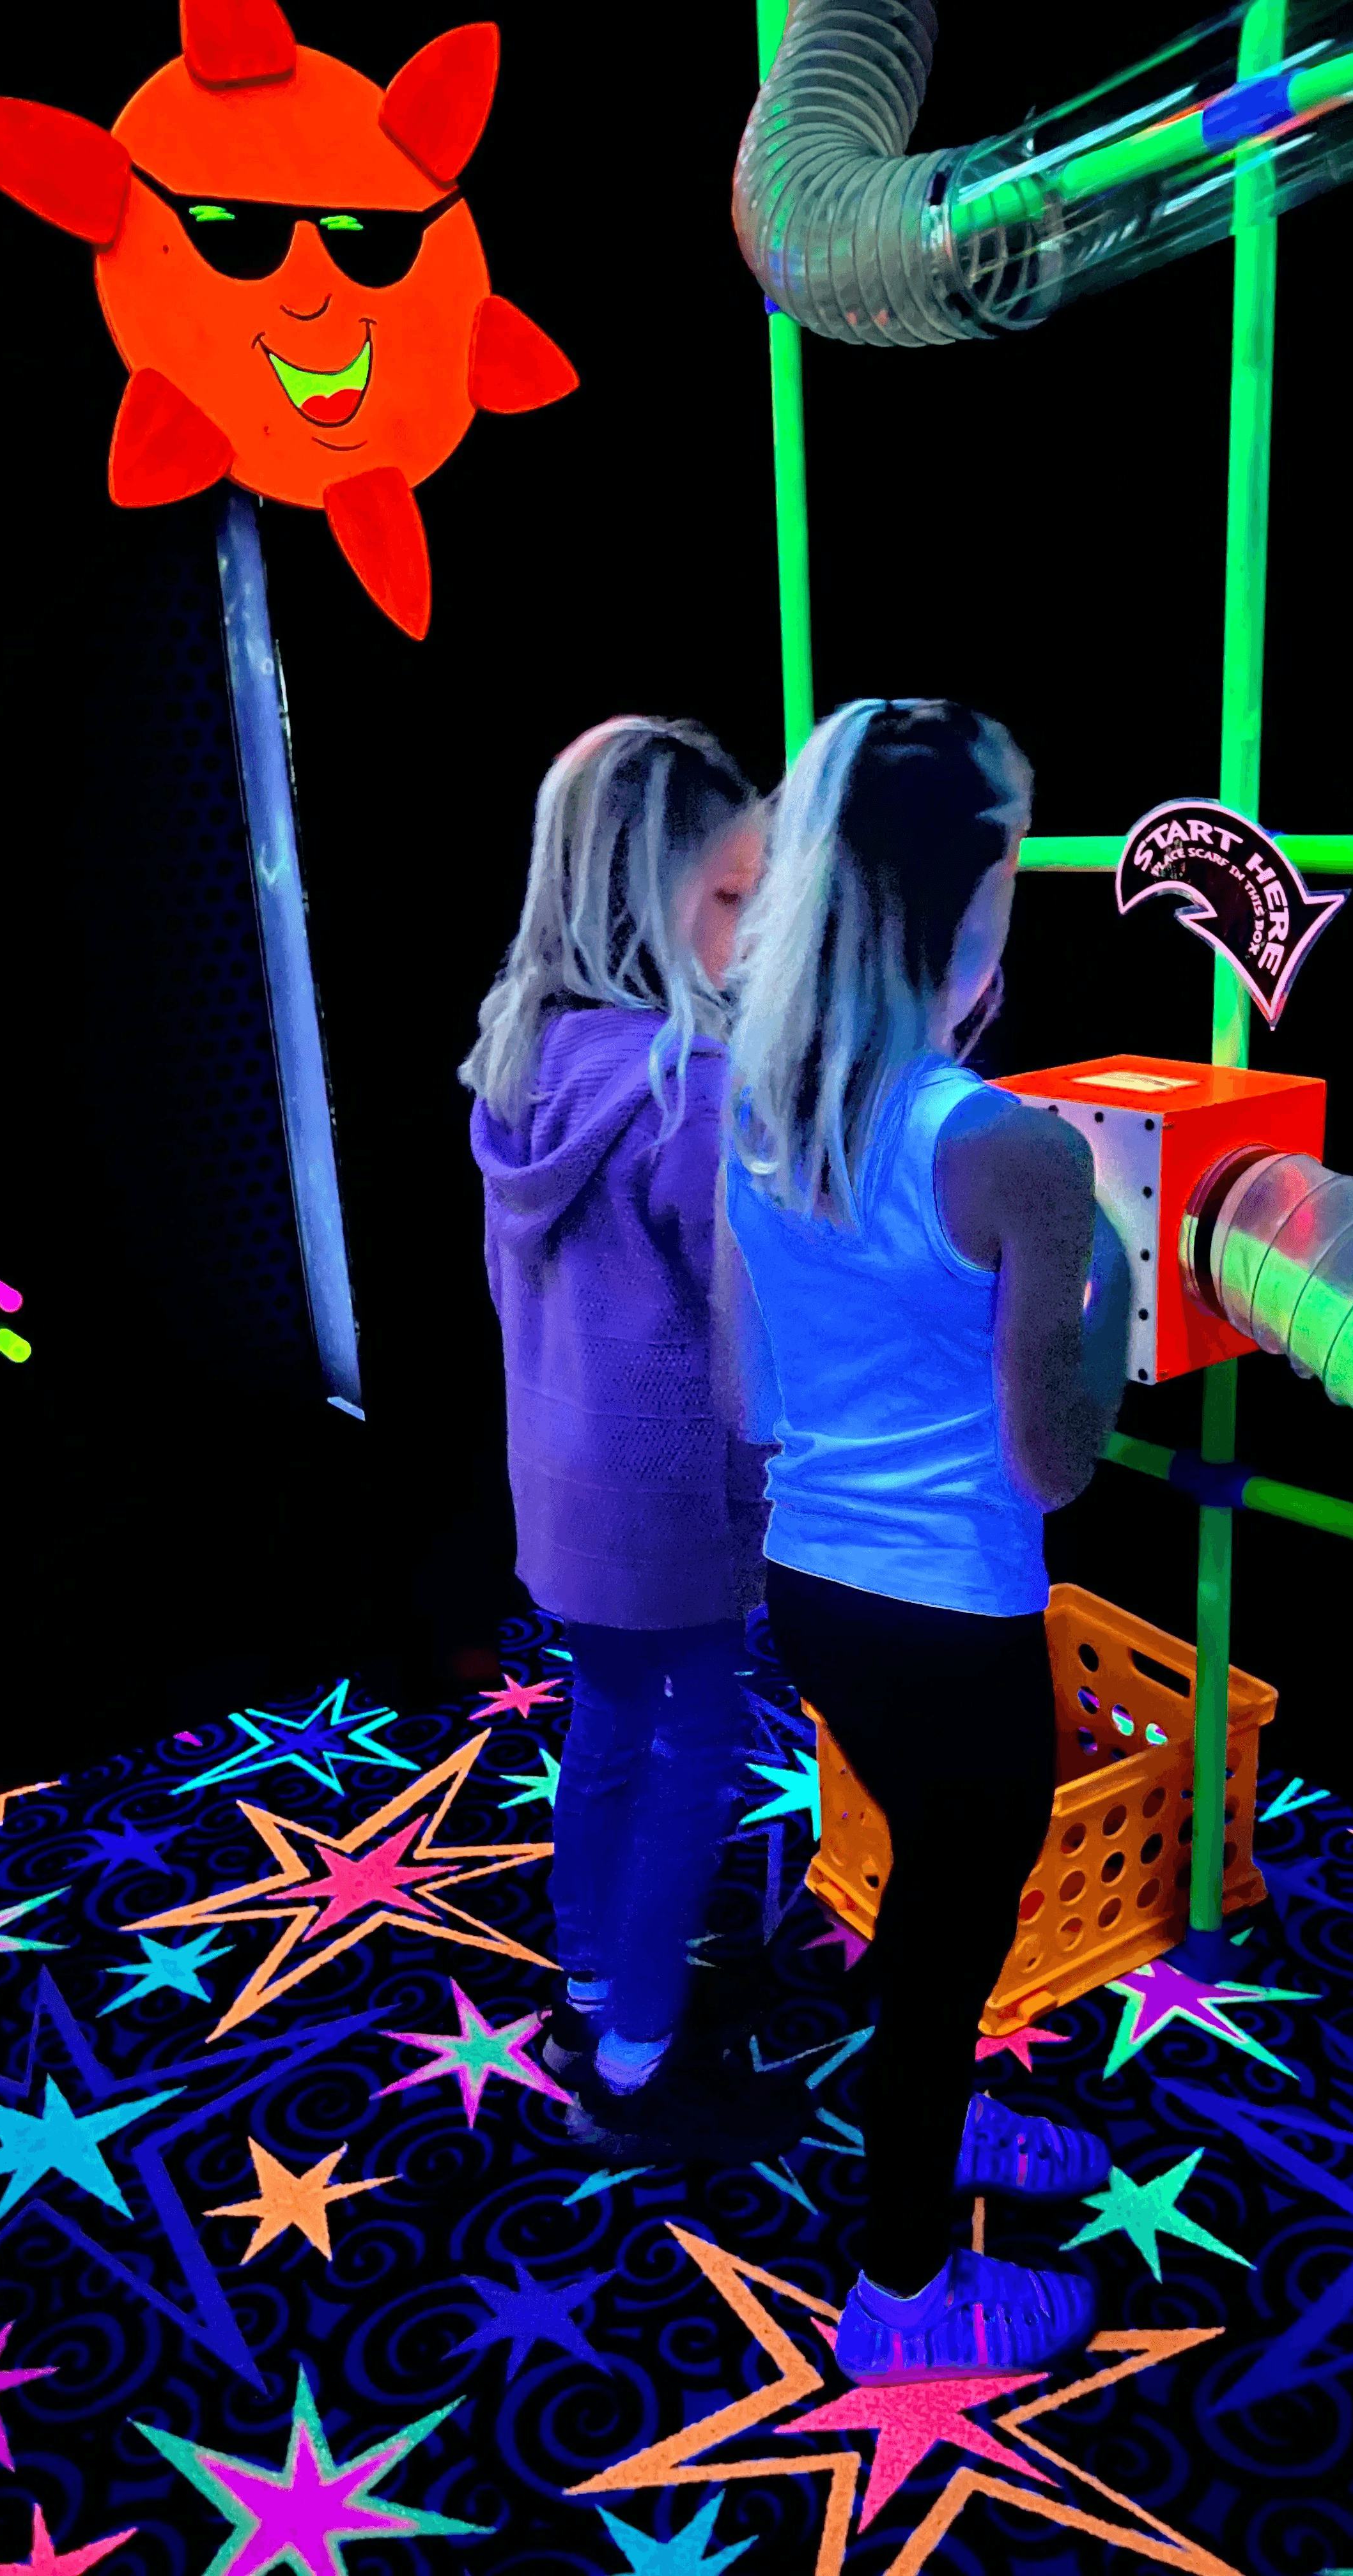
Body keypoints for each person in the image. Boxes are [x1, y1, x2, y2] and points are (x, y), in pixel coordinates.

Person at [720, 697, 1133, 2383]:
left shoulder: (751, 1101)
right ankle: (902, 2302)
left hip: (814, 1594)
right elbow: (1056, 1467)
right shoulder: (1015, 1150)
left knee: (931, 1919)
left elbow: (752, 1395)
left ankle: (940, 2111)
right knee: (956, 1936)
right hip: (960, 1625)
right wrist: (1106, 1276)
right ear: (967, 890)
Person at [463, 716, 778, 2147]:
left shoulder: (522, 1050)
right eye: (726, 898)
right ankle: (641, 2053)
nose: (751, 924)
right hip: (677, 1500)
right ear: (648, 899)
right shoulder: (687, 1089)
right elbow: (746, 1327)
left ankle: (594, 1962)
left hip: (564, 1487)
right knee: (695, 1750)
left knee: (605, 1721)